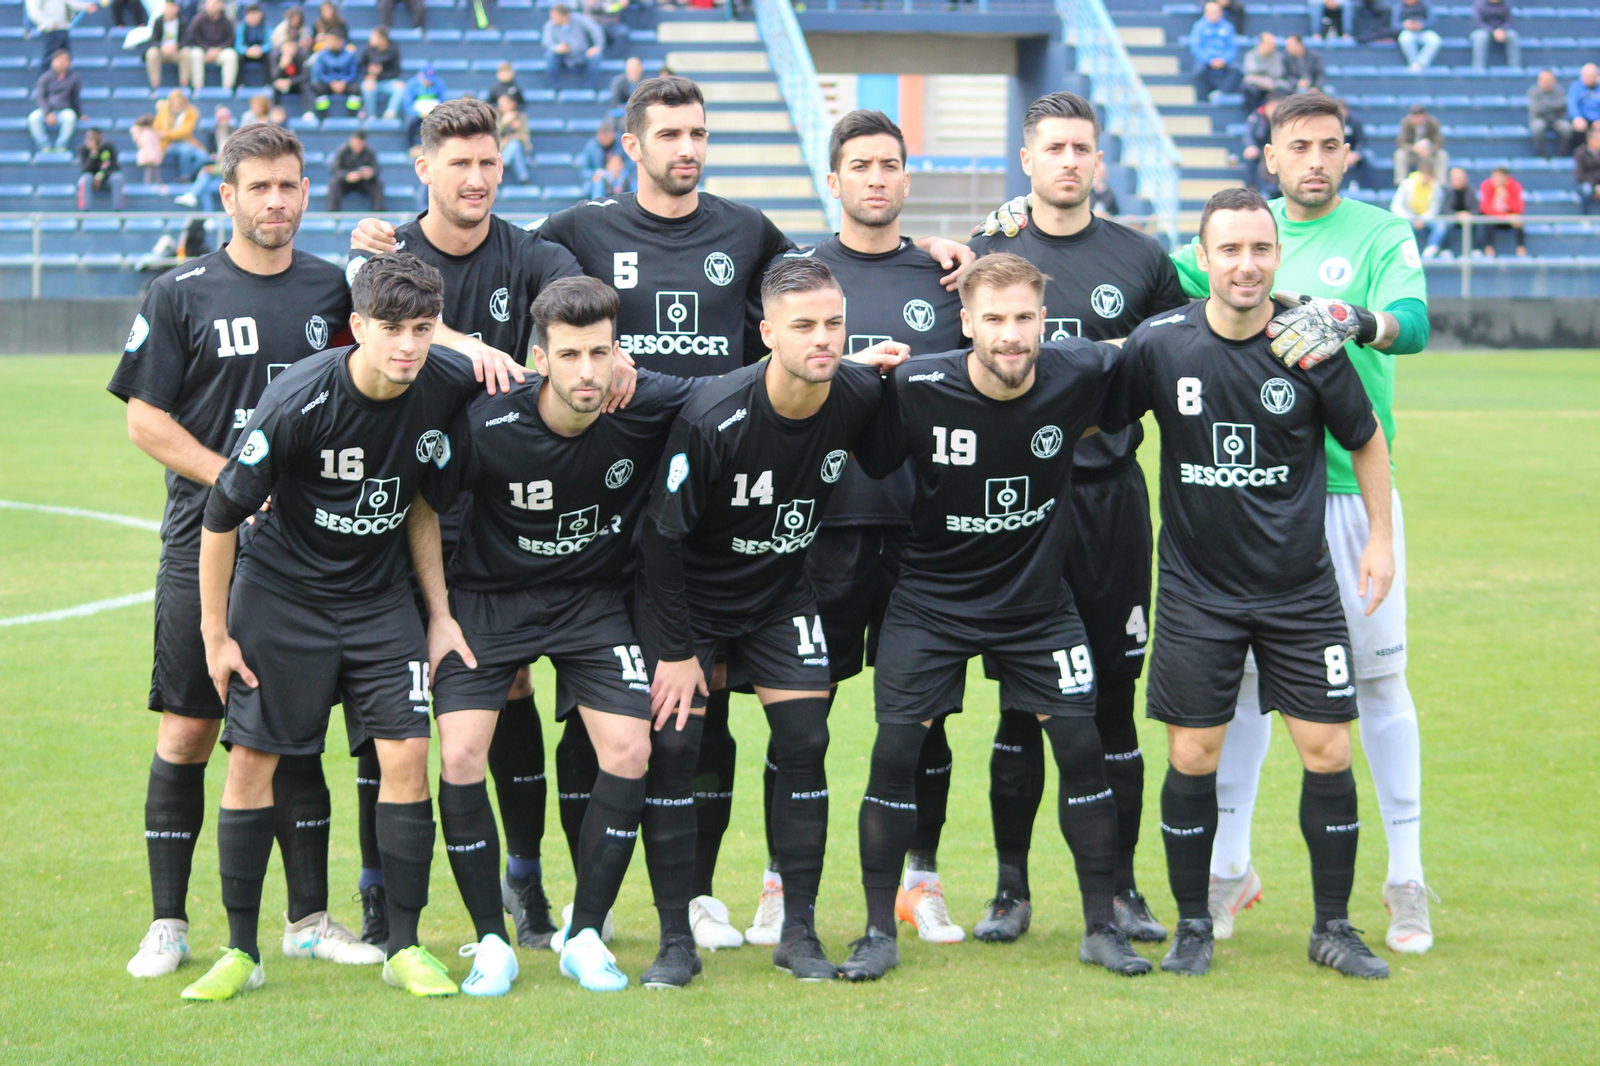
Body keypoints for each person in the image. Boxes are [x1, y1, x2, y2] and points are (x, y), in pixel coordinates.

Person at [347, 80, 970, 950]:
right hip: (600, 489)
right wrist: (378, 241)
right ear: (631, 144)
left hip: (709, 492)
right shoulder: (576, 232)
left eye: (699, 133)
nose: (688, 147)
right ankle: (532, 891)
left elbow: (817, 283)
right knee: (560, 708)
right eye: (670, 133)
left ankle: (697, 899)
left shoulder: (749, 230)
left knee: (684, 712)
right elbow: (476, 275)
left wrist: (931, 252)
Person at [1165, 92, 1435, 957]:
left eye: (1329, 146)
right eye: (1297, 147)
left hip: (1350, 494)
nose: (1314, 160)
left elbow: (1416, 326)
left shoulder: (1380, 233)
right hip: (1247, 495)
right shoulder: (1240, 232)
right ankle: (1230, 870)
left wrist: (1354, 320)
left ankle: (1406, 878)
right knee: (1233, 691)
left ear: (1348, 154)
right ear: (1271, 157)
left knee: (1374, 685)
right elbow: (1141, 274)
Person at [106, 123, 372, 982]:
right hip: (206, 541)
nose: (277, 202)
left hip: (305, 552)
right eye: (258, 187)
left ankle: (308, 919)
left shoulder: (335, 290)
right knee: (188, 729)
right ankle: (168, 922)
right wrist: (237, 480)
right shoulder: (178, 292)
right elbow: (145, 420)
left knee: (293, 738)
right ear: (227, 196)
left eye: (290, 185)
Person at [841, 250, 1149, 982]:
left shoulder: (1077, 372)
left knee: (1082, 746)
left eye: (1023, 319)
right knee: (894, 754)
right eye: (995, 321)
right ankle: (879, 930)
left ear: (1044, 321)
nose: (1011, 336)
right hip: (931, 601)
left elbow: (1149, 349)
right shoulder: (917, 386)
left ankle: (1101, 927)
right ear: (968, 324)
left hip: (1037, 604)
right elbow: (860, 441)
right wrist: (857, 373)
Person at [183, 253, 477, 1001]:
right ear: (356, 329)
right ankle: (242, 950)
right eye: (390, 329)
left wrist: (438, 617)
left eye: (421, 329)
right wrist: (216, 635)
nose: (407, 346)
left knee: (409, 756)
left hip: (379, 602)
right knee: (253, 763)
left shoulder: (443, 387)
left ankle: (405, 947)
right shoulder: (298, 398)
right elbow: (220, 517)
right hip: (282, 599)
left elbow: (420, 505)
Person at [1120, 187, 1394, 981]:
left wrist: (1379, 538)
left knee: (1328, 748)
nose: (1247, 265)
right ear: (1202, 261)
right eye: (1230, 251)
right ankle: (1195, 926)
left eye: (1261, 250)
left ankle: (1334, 928)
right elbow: (1099, 414)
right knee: (1195, 753)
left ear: (1278, 257)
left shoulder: (1308, 346)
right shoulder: (1160, 344)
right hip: (1197, 589)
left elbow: (1365, 439)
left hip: (1298, 589)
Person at [344, 97, 588, 949]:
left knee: (510, 684)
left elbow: (577, 324)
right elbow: (369, 333)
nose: (478, 179)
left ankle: (526, 882)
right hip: (398, 512)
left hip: (499, 518)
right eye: (459, 165)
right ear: (423, 170)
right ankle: (378, 893)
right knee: (391, 706)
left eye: (489, 163)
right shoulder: (383, 257)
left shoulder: (534, 255)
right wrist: (453, 339)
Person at [635, 256, 904, 987]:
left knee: (806, 740)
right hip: (695, 601)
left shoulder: (854, 391)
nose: (825, 339)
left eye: (835, 324)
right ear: (767, 334)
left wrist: (890, 368)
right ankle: (673, 943)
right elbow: (661, 538)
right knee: (678, 750)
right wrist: (677, 650)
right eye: (805, 326)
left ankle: (799, 933)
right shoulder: (714, 415)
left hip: (781, 598)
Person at [422, 276, 694, 993]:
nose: (587, 372)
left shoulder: (643, 405)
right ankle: (490, 941)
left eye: (600, 353)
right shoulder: (484, 424)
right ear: (538, 357)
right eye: (570, 355)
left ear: (618, 355)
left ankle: (585, 935)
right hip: (487, 601)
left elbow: (746, 387)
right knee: (460, 753)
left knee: (632, 748)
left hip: (590, 603)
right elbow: (427, 511)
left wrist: (847, 364)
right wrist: (438, 616)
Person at [963, 92, 1189, 951]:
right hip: (1018, 510)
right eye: (1053, 146)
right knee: (1022, 708)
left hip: (1108, 505)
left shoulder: (1142, 260)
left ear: (1099, 162)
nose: (1068, 160)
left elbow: (1181, 359)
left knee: (1115, 703)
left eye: (1082, 148)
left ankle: (1123, 890)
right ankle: (1010, 890)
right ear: (1027, 158)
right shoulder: (992, 250)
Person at [741, 110, 969, 950]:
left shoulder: (947, 280)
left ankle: (922, 881)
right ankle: (776, 881)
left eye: (890, 164)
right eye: (860, 165)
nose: (877, 177)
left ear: (908, 180)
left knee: (924, 720)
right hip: (822, 531)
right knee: (800, 718)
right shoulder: (795, 277)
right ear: (832, 182)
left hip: (923, 534)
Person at [173, 103, 235, 209]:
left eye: (225, 117)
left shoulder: (236, 135)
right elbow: (210, 154)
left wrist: (210, 169)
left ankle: (192, 195)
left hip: (230, 174)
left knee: (205, 174)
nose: (223, 120)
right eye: (221, 118)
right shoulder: (213, 134)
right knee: (206, 186)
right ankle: (209, 217)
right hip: (218, 170)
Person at [1188, 2, 1243, 102]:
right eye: (1211, 12)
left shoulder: (1228, 27)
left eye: (1216, 12)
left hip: (1224, 62)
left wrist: (1223, 59)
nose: (1214, 15)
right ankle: (1203, 100)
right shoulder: (1199, 27)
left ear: (1221, 13)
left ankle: (1221, 93)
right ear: (1206, 13)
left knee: (1237, 71)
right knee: (1199, 72)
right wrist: (1209, 60)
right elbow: (1196, 47)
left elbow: (1232, 47)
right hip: (1206, 62)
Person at [542, 3, 605, 91]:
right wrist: (557, 48)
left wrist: (597, 46)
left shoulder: (579, 19)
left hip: (582, 55)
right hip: (563, 57)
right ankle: (554, 88)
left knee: (596, 57)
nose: (552, 19)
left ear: (564, 16)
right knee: (550, 56)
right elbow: (547, 43)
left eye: (555, 16)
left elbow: (596, 30)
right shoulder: (550, 25)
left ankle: (590, 88)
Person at [28, 49, 79, 153]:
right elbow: (40, 97)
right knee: (33, 118)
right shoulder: (45, 77)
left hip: (64, 110)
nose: (62, 62)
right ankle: (45, 146)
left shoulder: (74, 78)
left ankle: (60, 146)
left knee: (71, 117)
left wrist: (80, 114)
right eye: (59, 59)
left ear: (69, 62)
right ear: (53, 62)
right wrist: (48, 112)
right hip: (46, 110)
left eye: (65, 60)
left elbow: (75, 98)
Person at [24, 0, 96, 71]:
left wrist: (85, 6)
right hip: (50, 31)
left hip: (63, 28)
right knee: (49, 59)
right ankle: (43, 80)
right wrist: (47, 24)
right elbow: (33, 10)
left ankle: (66, 81)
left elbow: (69, 2)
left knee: (66, 59)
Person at [185, 0, 238, 92]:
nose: (211, 7)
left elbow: (230, 39)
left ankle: (227, 88)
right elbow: (193, 38)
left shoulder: (226, 20)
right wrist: (206, 49)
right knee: (195, 54)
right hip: (203, 51)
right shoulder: (198, 19)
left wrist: (219, 49)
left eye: (214, 4)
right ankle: (198, 87)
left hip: (220, 52)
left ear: (221, 5)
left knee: (231, 55)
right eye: (209, 4)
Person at [1422, 167, 1477, 256]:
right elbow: (1444, 209)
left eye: (1460, 178)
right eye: (1455, 178)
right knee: (1444, 224)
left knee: (1480, 223)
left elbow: (1475, 209)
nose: (1458, 181)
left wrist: (1468, 215)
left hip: (1468, 219)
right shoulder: (1446, 191)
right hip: (1452, 219)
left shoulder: (1471, 191)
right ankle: (1445, 249)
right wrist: (1457, 215)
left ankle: (1476, 249)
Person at [156, 90, 208, 180]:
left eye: (179, 103)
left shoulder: (190, 112)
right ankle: (185, 176)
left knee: (203, 156)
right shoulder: (164, 111)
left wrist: (167, 134)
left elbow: (185, 131)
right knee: (186, 149)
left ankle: (190, 175)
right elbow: (157, 128)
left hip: (187, 141)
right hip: (168, 144)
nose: (176, 105)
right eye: (174, 103)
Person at [310, 27, 361, 117]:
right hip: (329, 84)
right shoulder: (322, 55)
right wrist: (331, 82)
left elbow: (353, 73)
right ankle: (323, 116)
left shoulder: (350, 55)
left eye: (332, 40)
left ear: (340, 41)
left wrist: (344, 82)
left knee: (356, 90)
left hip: (345, 83)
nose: (329, 43)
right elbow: (321, 74)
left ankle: (352, 115)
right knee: (318, 88)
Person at [1394, 103, 1446, 187]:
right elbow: (1401, 142)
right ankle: (1401, 184)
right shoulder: (1406, 123)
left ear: (1423, 116)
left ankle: (1440, 185)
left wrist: (1430, 150)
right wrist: (1413, 148)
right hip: (1412, 153)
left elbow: (1439, 142)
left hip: (1428, 153)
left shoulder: (1433, 123)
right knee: (1400, 155)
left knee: (1442, 155)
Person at [328, 129, 383, 211]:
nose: (359, 146)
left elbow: (377, 169)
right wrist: (347, 176)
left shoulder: (369, 152)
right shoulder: (342, 151)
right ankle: (333, 213)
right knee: (334, 184)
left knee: (377, 184)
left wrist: (370, 173)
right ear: (351, 140)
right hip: (346, 183)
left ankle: (378, 211)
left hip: (363, 182)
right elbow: (334, 170)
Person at [1477, 166, 1526, 257]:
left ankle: (1521, 249)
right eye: (1494, 177)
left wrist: (1507, 199)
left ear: (1506, 178)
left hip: (1509, 219)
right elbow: (1485, 208)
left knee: (1519, 220)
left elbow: (1519, 208)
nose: (1496, 180)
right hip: (1495, 218)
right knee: (1487, 221)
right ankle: (1488, 249)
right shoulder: (1486, 185)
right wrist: (1504, 216)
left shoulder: (1515, 186)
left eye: (1499, 177)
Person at [358, 25, 405, 120]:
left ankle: (390, 112)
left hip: (386, 81)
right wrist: (369, 74)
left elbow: (396, 71)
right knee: (367, 87)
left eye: (374, 37)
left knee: (400, 87)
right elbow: (361, 67)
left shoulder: (393, 50)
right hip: (372, 81)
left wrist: (379, 75)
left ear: (382, 39)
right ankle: (371, 116)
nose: (371, 39)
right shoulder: (368, 50)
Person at [1388, 161, 1442, 242]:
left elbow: (1434, 209)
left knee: (1440, 225)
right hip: (1408, 217)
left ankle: (1431, 249)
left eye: (1429, 176)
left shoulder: (1436, 187)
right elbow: (1395, 206)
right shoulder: (1407, 184)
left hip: (1426, 219)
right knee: (1401, 226)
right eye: (1424, 175)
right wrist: (1410, 218)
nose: (1426, 179)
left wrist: (1422, 220)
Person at [1241, 93, 1283, 194]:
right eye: (1272, 106)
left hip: (1279, 150)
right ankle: (1253, 189)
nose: (1274, 110)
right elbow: (1249, 134)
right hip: (1261, 150)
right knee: (1251, 156)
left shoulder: (1286, 119)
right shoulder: (1257, 116)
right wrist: (1251, 146)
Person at [76, 127, 125, 209]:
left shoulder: (108, 147)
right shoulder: (83, 149)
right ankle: (84, 210)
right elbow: (85, 169)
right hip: (91, 179)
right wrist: (93, 155)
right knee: (85, 179)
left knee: (117, 178)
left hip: (107, 178)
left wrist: (100, 177)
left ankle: (117, 209)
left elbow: (114, 167)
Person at [400, 65, 447, 148]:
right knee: (409, 123)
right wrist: (419, 113)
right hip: (417, 113)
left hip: (434, 113)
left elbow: (444, 101)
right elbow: (407, 106)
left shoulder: (439, 83)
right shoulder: (411, 85)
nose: (428, 82)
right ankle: (410, 147)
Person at [1528, 69, 1571, 159]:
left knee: (1567, 128)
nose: (1547, 83)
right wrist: (1553, 106)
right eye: (1545, 80)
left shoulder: (1559, 90)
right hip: (1539, 118)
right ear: (1539, 81)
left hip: (1556, 119)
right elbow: (1536, 109)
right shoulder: (1533, 91)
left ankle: (1561, 155)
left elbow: (1562, 105)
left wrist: (1545, 105)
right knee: (1537, 128)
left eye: (1549, 81)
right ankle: (1542, 155)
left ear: (1554, 81)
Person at [146, 0, 189, 90]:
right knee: (151, 53)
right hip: (162, 51)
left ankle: (184, 84)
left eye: (171, 7)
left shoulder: (183, 21)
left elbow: (186, 40)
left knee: (186, 52)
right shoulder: (158, 21)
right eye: (166, 8)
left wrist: (177, 46)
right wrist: (161, 47)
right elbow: (153, 40)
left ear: (176, 9)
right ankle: (155, 84)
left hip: (176, 52)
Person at [1242, 33, 1287, 115]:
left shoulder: (1277, 56)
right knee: (1249, 89)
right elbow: (1252, 69)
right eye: (1270, 44)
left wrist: (1262, 73)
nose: (1273, 46)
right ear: (1261, 44)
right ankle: (1254, 116)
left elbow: (1277, 73)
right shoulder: (1251, 55)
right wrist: (1265, 78)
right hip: (1257, 84)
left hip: (1272, 85)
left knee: (1283, 89)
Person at [1469, 0, 1519, 71]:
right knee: (1481, 37)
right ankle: (1478, 68)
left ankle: (1514, 69)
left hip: (1502, 31)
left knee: (1513, 36)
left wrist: (1502, 29)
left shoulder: (1506, 4)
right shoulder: (1479, 4)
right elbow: (1478, 23)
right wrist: (1493, 31)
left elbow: (1510, 21)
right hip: (1483, 30)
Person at [1393, 0, 1441, 72]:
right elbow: (1395, 25)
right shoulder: (1399, 6)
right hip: (1408, 31)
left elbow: (1432, 20)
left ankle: (1421, 64)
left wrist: (1422, 24)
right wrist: (1404, 25)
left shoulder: (1425, 4)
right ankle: (1413, 63)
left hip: (1423, 31)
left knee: (1435, 40)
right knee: (1404, 39)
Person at [269, 38, 311, 118]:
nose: (290, 50)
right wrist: (281, 66)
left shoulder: (302, 56)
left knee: (306, 86)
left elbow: (305, 76)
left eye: (292, 47)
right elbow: (273, 76)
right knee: (274, 86)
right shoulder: (275, 56)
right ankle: (275, 111)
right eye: (287, 47)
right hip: (282, 84)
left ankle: (308, 112)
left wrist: (290, 81)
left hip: (296, 84)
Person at [498, 93, 532, 185]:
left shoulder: (521, 117)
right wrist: (504, 123)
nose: (502, 107)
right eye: (500, 104)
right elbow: (495, 138)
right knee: (516, 152)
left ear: (512, 104)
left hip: (519, 146)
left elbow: (525, 138)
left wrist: (514, 136)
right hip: (502, 149)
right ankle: (523, 177)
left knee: (515, 144)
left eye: (504, 104)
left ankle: (505, 161)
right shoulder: (497, 117)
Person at [235, 5, 270, 86]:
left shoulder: (265, 28)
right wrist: (247, 51)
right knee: (238, 57)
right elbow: (238, 45)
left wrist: (261, 49)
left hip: (260, 53)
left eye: (256, 14)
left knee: (270, 57)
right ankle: (239, 85)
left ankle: (268, 84)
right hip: (246, 53)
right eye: (251, 14)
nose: (253, 17)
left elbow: (269, 44)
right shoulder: (241, 28)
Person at [1568, 63, 1600, 140]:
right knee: (1578, 128)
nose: (1588, 79)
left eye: (1591, 76)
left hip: (1597, 119)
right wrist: (1577, 117)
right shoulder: (1576, 86)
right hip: (1582, 119)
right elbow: (1572, 104)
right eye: (1586, 76)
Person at [132, 113, 163, 182]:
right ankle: (148, 186)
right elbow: (148, 146)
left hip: (153, 156)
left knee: (156, 173)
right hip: (149, 156)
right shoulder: (147, 134)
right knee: (149, 172)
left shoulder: (152, 133)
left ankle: (157, 184)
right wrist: (152, 157)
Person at [1576, 126, 1600, 216]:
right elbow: (1580, 175)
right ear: (1590, 140)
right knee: (1587, 190)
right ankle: (1585, 216)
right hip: (1587, 183)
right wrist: (1595, 186)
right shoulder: (1580, 153)